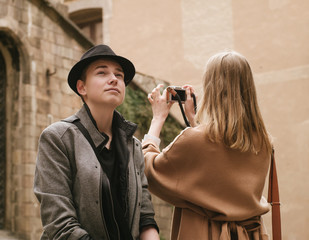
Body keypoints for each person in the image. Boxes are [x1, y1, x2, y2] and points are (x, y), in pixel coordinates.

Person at [34, 45, 160, 240]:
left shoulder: (133, 145)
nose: (114, 79)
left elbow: (145, 215)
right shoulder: (58, 138)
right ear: (81, 87)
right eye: (102, 72)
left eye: (119, 75)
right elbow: (59, 224)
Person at [142, 51, 272, 240]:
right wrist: (194, 122)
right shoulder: (262, 143)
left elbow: (149, 170)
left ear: (212, 88)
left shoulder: (195, 140)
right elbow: (219, 170)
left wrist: (158, 118)